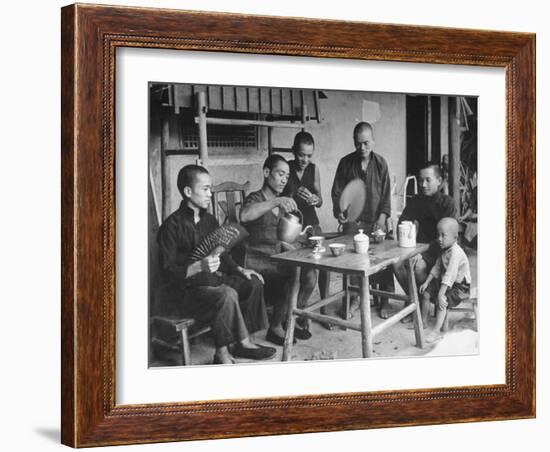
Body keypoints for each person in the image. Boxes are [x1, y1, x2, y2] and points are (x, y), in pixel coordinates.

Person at [157, 165, 276, 364]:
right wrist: (198, 267)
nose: (209, 193)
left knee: (253, 282)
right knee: (226, 294)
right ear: (188, 192)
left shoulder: (210, 220)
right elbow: (168, 273)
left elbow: (224, 254)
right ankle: (223, 353)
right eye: (204, 189)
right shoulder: (171, 226)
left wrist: (241, 269)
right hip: (186, 291)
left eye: (210, 188)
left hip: (213, 280)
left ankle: (240, 342)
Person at [240, 154, 317, 346]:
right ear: (267, 173)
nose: (284, 179)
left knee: (310, 273)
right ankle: (275, 327)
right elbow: (244, 215)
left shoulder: (281, 204)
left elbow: (282, 237)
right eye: (280, 174)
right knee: (295, 272)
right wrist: (276, 202)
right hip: (257, 260)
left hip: (275, 258)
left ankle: (289, 319)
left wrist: (303, 240)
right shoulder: (256, 199)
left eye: (287, 175)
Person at [330, 121, 394, 319]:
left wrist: (382, 219)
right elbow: (337, 192)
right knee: (351, 259)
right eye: (358, 143)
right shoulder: (345, 163)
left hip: (376, 221)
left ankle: (384, 299)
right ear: (353, 142)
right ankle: (355, 298)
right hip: (354, 223)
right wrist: (339, 211)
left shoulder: (381, 163)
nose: (362, 148)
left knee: (383, 259)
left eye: (366, 143)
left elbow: (385, 197)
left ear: (373, 141)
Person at [393, 163, 457, 320]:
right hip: (420, 248)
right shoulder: (417, 200)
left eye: (428, 180)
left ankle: (424, 303)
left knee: (418, 266)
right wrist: (408, 242)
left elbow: (447, 238)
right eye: (421, 180)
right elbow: (403, 221)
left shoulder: (447, 203)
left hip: (442, 251)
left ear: (439, 180)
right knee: (396, 264)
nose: (423, 185)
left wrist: (422, 253)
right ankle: (415, 301)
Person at [282, 131, 328, 319]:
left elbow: (321, 201)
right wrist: (292, 196)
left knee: (326, 264)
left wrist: (315, 200)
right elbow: (278, 199)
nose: (305, 159)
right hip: (292, 227)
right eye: (301, 154)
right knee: (303, 272)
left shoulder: (313, 169)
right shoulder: (285, 168)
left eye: (309, 155)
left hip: (312, 224)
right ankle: (297, 312)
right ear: (294, 151)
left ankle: (324, 305)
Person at [418, 218, 472, 343]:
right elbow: (437, 267)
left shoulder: (456, 253)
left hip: (460, 286)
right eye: (438, 235)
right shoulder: (444, 249)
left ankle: (436, 331)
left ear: (455, 237)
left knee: (443, 301)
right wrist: (426, 282)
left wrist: (441, 294)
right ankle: (423, 322)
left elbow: (450, 275)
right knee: (426, 293)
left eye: (443, 235)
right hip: (448, 282)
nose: (439, 239)